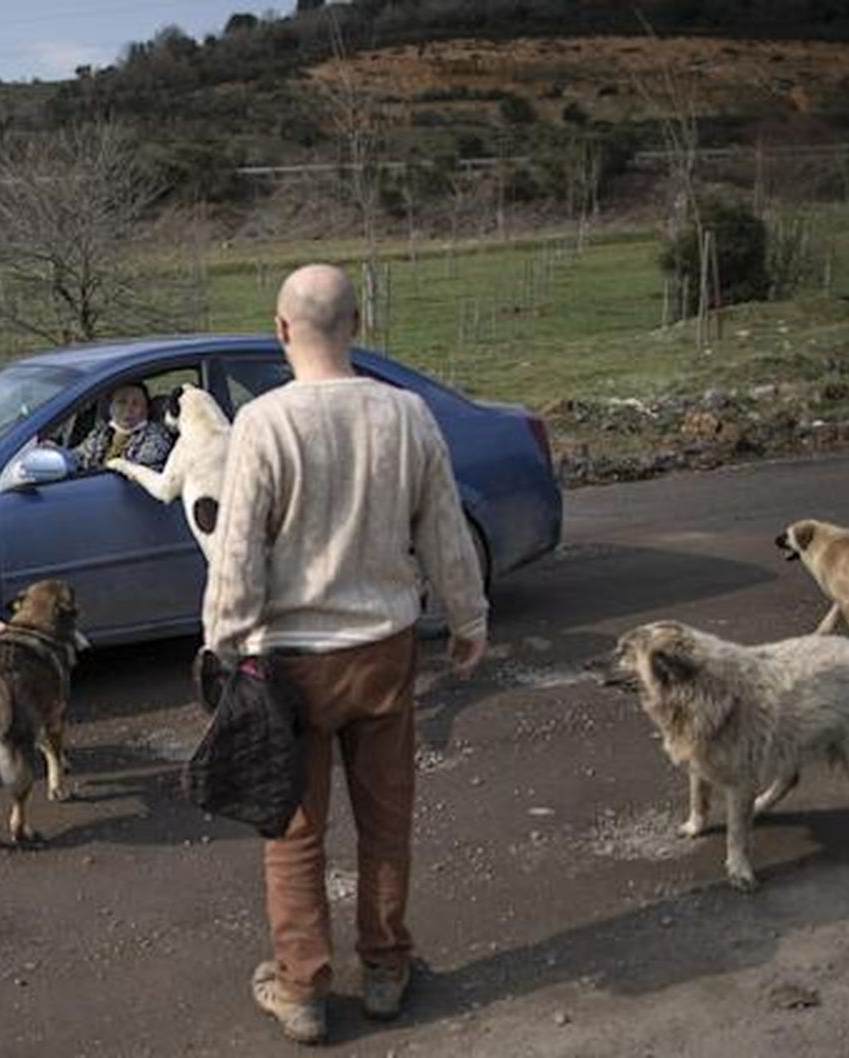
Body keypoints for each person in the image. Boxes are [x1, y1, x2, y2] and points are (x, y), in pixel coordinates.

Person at [201, 263, 488, 1045]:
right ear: (356, 325)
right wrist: (468, 619)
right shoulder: (406, 415)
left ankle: (301, 989)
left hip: (287, 665)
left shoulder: (263, 423)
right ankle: (387, 969)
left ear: (281, 329)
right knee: (386, 821)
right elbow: (445, 532)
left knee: (294, 833)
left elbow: (237, 552)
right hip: (383, 651)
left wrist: (221, 639)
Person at [72, 380, 174, 472]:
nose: (128, 409)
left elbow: (134, 473)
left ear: (146, 409)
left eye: (136, 404)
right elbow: (77, 458)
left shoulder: (156, 437)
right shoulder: (102, 432)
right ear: (111, 407)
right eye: (121, 402)